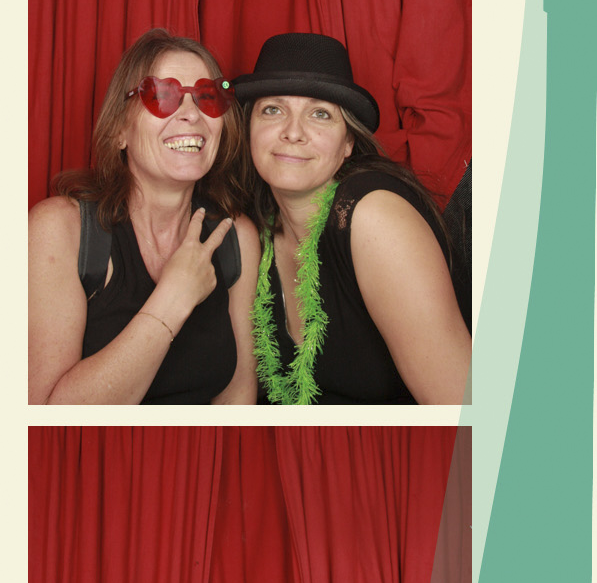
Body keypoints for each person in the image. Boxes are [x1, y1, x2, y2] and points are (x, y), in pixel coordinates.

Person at [232, 33, 470, 405]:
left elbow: (466, 410)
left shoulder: (374, 219)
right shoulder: (250, 230)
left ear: (348, 144)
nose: (293, 132)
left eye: (320, 114)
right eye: (273, 110)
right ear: (249, 129)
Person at [28, 29, 260, 404]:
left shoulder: (236, 237)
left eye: (207, 97)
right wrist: (173, 298)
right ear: (119, 130)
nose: (192, 114)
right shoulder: (59, 230)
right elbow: (44, 417)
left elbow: (237, 396)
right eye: (162, 95)